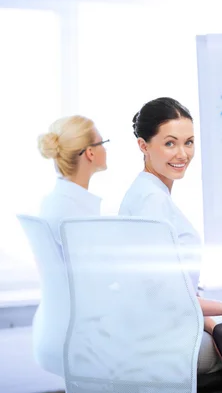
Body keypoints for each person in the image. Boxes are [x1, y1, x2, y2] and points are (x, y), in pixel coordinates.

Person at [119, 97, 222, 392]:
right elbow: (170, 299)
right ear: (143, 146)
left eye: (189, 142)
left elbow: (169, 290)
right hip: (166, 343)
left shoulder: (143, 192)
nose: (182, 154)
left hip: (156, 330)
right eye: (170, 143)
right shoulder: (153, 204)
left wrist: (211, 323)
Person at [35, 115, 109, 377]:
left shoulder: (54, 201)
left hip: (55, 329)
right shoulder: (74, 215)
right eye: (103, 142)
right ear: (90, 153)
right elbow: (99, 285)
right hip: (85, 338)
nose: (105, 149)